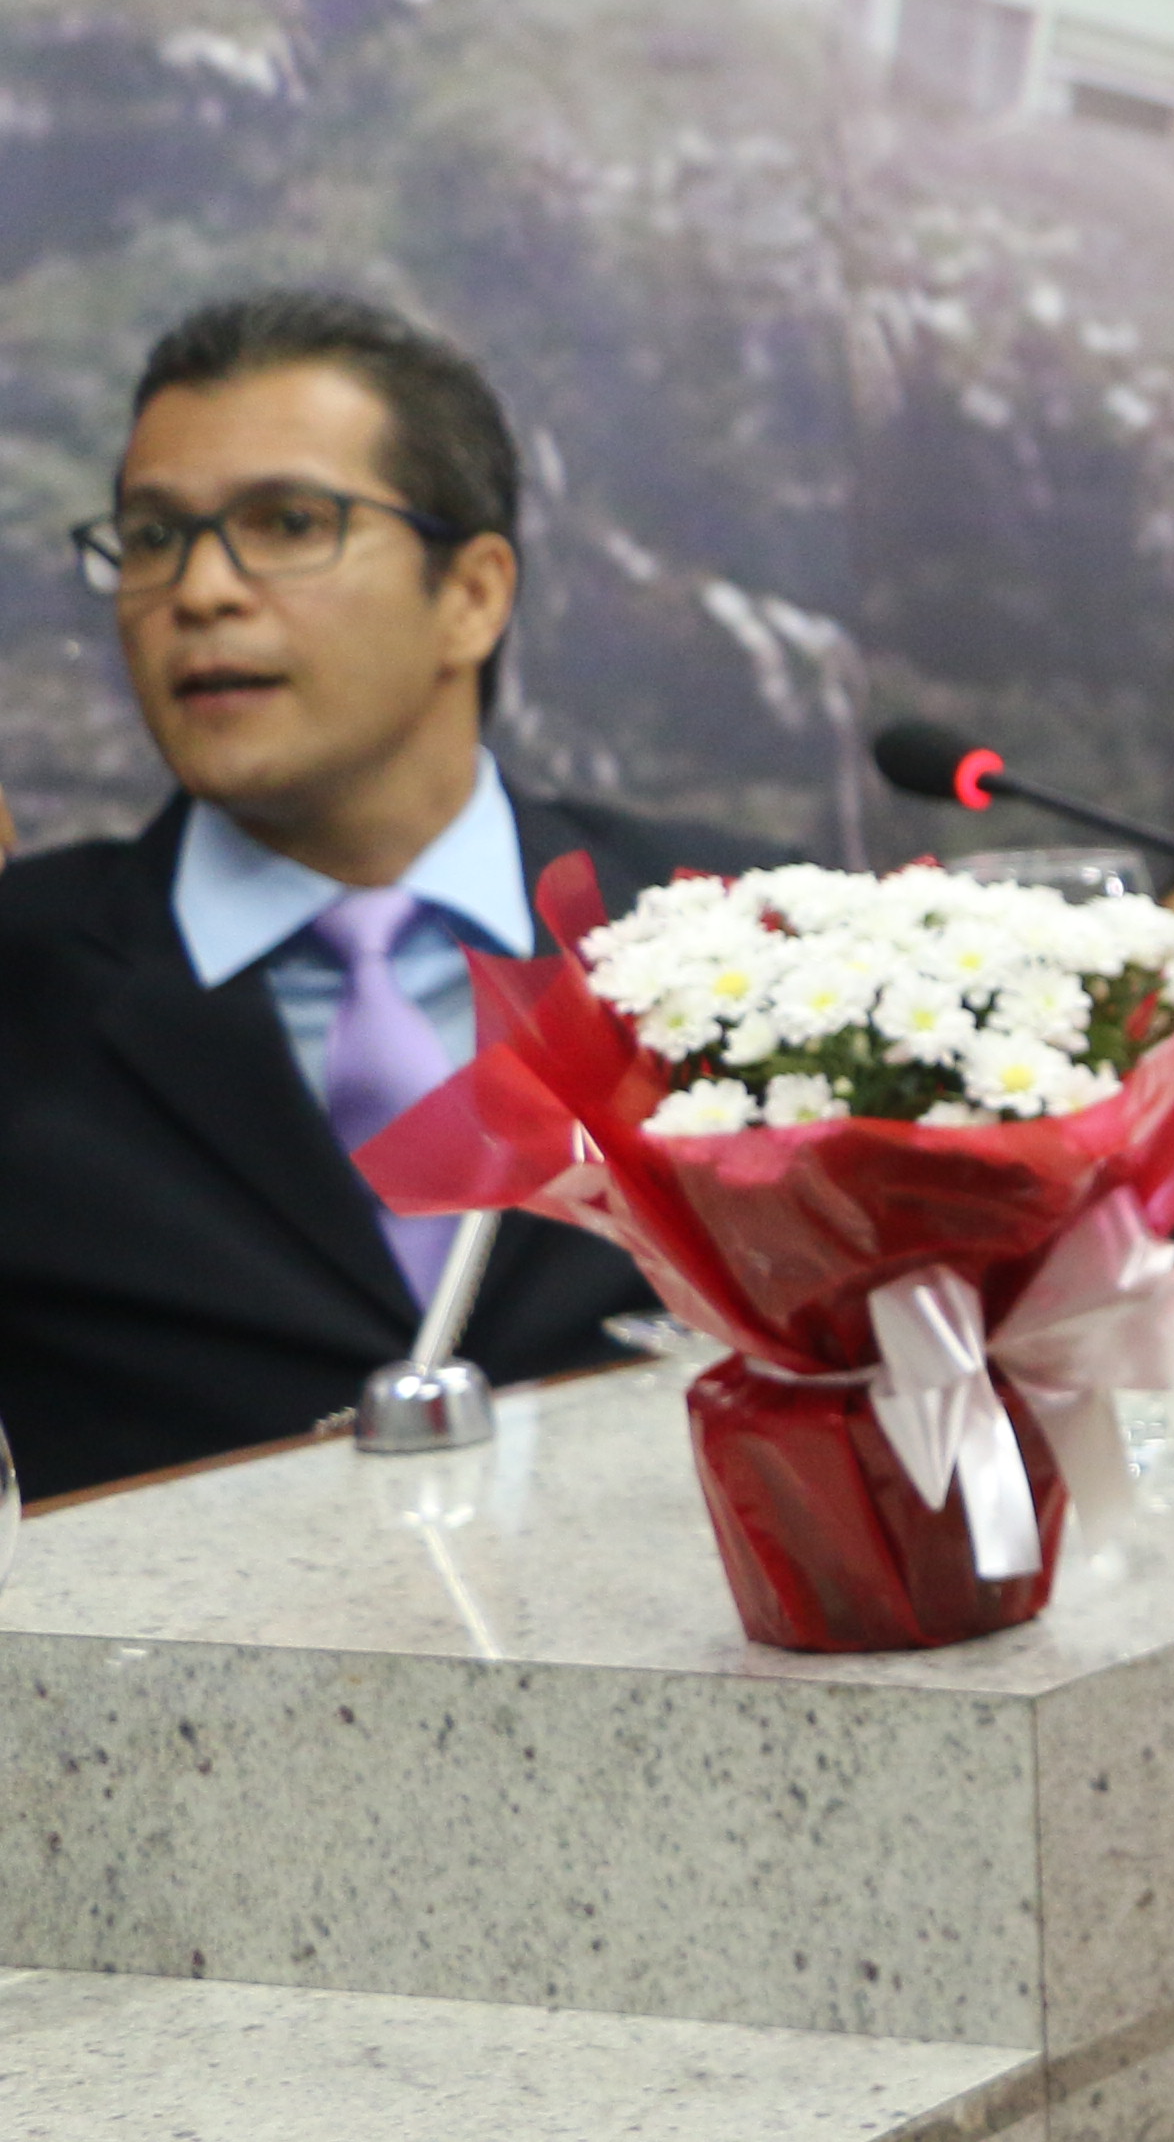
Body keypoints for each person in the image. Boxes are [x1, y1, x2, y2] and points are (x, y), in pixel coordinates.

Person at [0, 290, 720, 1496]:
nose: (199, 590)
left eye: (288, 523)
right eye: (154, 536)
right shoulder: (19, 985)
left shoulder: (719, 938)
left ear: (473, 594)